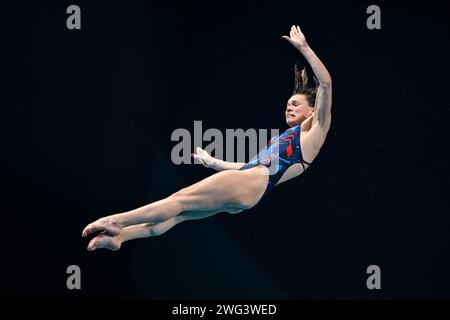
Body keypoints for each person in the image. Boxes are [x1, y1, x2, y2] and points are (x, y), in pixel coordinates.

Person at [82, 25, 332, 251]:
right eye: (287, 104)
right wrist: (213, 162)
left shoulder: (315, 130)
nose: (288, 108)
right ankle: (122, 237)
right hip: (250, 190)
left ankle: (116, 221)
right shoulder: (287, 139)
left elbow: (326, 85)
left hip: (250, 186)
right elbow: (249, 167)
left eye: (295, 104)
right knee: (180, 213)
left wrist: (305, 49)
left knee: (180, 199)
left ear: (312, 110)